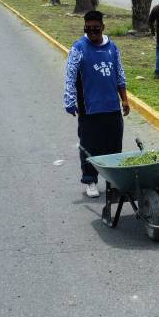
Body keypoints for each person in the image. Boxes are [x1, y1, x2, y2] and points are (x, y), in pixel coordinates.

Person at [64, 10, 131, 198]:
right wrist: (69, 100)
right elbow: (70, 76)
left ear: (103, 27)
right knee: (89, 146)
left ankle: (113, 182)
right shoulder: (78, 48)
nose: (92, 31)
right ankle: (90, 180)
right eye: (88, 28)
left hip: (111, 107)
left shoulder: (112, 48)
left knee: (114, 147)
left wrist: (124, 99)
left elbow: (120, 75)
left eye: (96, 28)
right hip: (89, 108)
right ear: (85, 28)